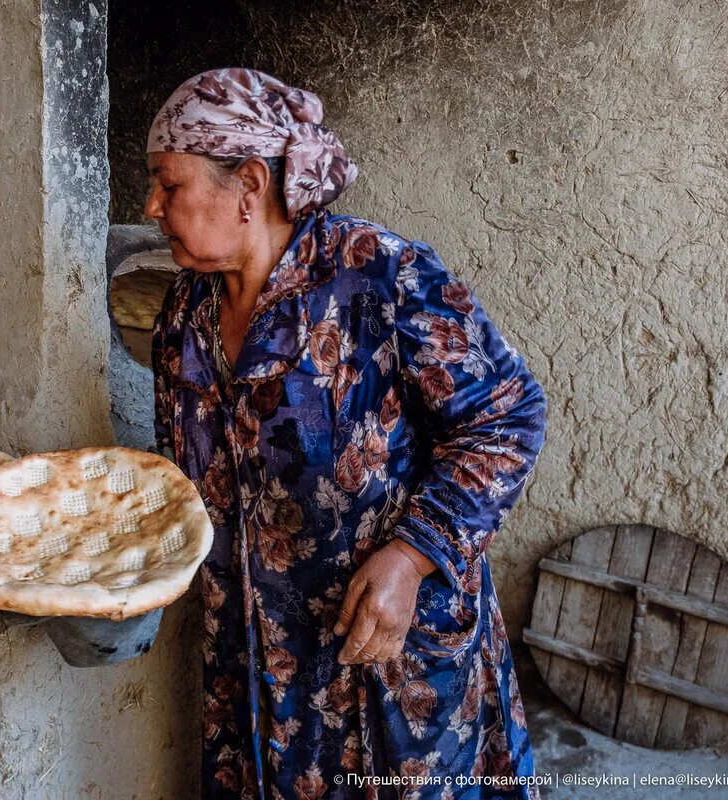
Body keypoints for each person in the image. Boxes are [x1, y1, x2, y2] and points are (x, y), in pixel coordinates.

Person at [147, 69, 548, 799]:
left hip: (387, 664)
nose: (151, 206)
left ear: (247, 187)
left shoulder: (379, 276)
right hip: (260, 681)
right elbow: (187, 477)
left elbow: (509, 416)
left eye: (167, 185)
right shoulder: (184, 320)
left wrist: (413, 556)